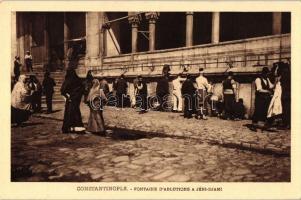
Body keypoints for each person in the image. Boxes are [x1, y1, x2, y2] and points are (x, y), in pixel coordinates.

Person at [61, 69, 85, 133]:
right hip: (76, 100)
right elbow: (82, 90)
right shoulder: (78, 80)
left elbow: (63, 90)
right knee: (76, 113)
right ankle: (78, 128)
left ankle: (69, 128)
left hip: (70, 100)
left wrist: (68, 96)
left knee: (69, 114)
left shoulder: (68, 80)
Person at [250, 67, 274, 132]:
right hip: (259, 98)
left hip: (265, 99)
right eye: (266, 74)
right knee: (257, 111)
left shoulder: (267, 79)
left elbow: (271, 86)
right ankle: (253, 125)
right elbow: (259, 89)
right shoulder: (258, 79)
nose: (267, 75)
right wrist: (268, 91)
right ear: (263, 73)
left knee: (264, 111)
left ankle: (262, 125)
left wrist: (276, 84)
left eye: (268, 74)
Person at [280, 62, 291, 129]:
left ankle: (286, 124)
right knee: (288, 109)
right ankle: (288, 124)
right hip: (288, 94)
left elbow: (282, 83)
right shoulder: (289, 73)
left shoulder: (284, 73)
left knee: (286, 109)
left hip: (285, 94)